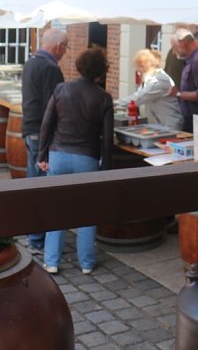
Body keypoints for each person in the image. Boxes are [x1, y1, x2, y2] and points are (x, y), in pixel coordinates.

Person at [37, 48, 113, 275]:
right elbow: (107, 138)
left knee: (57, 209)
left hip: (58, 155)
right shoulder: (104, 98)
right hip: (87, 159)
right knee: (87, 213)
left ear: (79, 66)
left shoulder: (61, 89)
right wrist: (106, 168)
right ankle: (87, 263)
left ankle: (51, 261)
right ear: (101, 73)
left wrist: (42, 155)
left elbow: (47, 124)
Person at [20, 28, 68, 253]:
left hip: (30, 128)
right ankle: (37, 240)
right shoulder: (50, 68)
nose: (65, 52)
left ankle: (33, 236)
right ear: (57, 46)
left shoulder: (31, 62)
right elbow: (54, 106)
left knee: (33, 183)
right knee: (41, 185)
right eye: (65, 47)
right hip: (41, 132)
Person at [117, 49, 183, 130]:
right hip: (160, 125)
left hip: (170, 125)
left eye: (140, 66)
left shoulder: (159, 80)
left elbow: (138, 98)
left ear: (146, 65)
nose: (138, 70)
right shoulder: (150, 79)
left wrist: (112, 104)